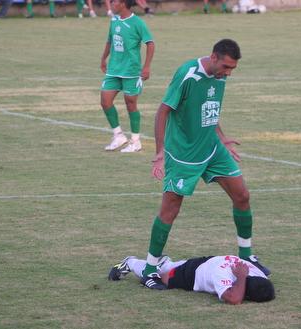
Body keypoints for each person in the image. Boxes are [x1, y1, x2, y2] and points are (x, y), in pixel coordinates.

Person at [140, 39, 270, 289]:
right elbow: (163, 111)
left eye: (232, 68)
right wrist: (159, 153)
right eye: (226, 66)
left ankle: (246, 256)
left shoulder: (220, 77)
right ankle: (149, 268)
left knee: (242, 195)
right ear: (213, 57)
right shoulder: (187, 74)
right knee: (170, 210)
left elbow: (209, 110)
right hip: (183, 154)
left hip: (212, 148)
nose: (228, 72)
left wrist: (222, 137)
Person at [100, 0, 154, 152]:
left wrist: (147, 66)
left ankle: (135, 141)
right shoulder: (114, 20)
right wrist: (103, 58)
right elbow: (109, 41)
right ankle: (118, 135)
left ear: (123, 3)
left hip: (131, 71)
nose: (111, 4)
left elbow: (150, 43)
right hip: (113, 69)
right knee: (105, 100)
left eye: (114, 1)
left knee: (130, 104)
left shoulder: (137, 23)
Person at [108, 255, 275, 304]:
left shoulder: (256, 275)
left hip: (209, 262)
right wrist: (241, 278)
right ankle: (130, 262)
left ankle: (166, 263)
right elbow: (234, 299)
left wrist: (242, 278)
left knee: (170, 267)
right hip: (194, 273)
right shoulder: (225, 275)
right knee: (160, 280)